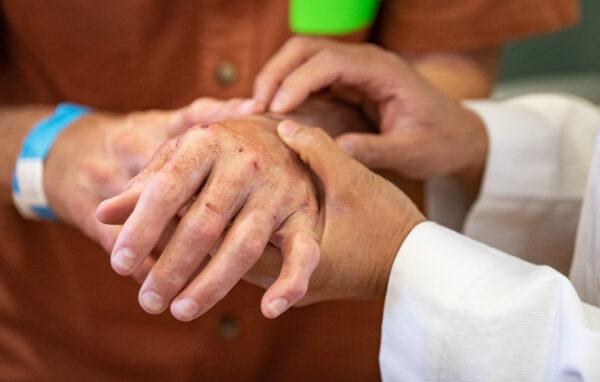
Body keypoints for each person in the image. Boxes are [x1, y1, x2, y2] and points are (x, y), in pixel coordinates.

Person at [0, 1, 580, 380]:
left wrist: (302, 128)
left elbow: (441, 85)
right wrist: (47, 150)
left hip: (348, 344)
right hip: (61, 340)